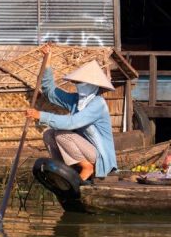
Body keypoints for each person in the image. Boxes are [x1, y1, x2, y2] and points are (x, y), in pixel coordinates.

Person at [25, 46, 117, 182]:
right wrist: (47, 61)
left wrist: (42, 116)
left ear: (91, 84)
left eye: (80, 83)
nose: (77, 85)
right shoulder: (76, 100)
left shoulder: (97, 104)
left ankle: (87, 167)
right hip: (84, 149)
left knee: (63, 134)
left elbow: (72, 123)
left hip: (99, 155)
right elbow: (51, 93)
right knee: (49, 134)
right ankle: (66, 169)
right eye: (76, 82)